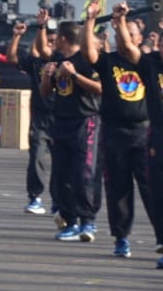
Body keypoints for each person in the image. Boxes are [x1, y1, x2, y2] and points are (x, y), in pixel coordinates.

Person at [84, 1, 156, 260]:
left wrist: (121, 21)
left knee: (152, 188)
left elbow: (127, 46)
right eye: (120, 33)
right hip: (115, 133)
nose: (124, 38)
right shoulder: (108, 62)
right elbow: (89, 54)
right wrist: (91, 20)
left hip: (144, 133)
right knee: (118, 188)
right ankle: (121, 237)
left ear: (139, 39)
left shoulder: (148, 63)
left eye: (129, 33)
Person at [111, 7, 163, 269]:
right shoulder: (151, 66)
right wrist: (119, 22)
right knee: (160, 198)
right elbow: (128, 49)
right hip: (159, 144)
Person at [39, 15, 102, 241]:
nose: (53, 42)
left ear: (63, 39)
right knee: (61, 174)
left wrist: (74, 75)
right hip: (61, 121)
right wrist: (47, 77)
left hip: (85, 122)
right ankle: (70, 221)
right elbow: (46, 93)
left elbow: (99, 88)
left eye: (56, 38)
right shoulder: (56, 59)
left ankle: (88, 221)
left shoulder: (85, 60)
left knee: (83, 174)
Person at [6, 17, 52, 215]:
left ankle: (61, 200)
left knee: (65, 163)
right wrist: (16, 36)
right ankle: (35, 197)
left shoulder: (68, 62)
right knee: (36, 158)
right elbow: (12, 58)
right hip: (41, 117)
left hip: (67, 117)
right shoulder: (36, 63)